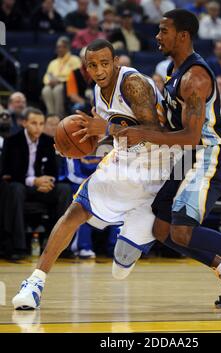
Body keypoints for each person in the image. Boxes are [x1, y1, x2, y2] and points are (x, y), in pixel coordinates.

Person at [116, 9, 221, 309]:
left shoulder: (195, 77)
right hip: (188, 156)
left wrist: (143, 135)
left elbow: (191, 136)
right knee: (162, 228)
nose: (157, 36)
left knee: (181, 230)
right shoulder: (174, 69)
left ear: (182, 35)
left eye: (163, 31)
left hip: (212, 154)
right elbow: (174, 127)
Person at [12, 39, 178, 309]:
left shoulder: (133, 84)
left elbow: (157, 133)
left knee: (174, 233)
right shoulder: (99, 93)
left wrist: (107, 129)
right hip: (128, 162)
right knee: (77, 212)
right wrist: (75, 147)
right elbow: (113, 137)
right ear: (85, 68)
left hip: (156, 166)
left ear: (115, 62)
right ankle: (35, 282)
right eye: (92, 65)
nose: (99, 70)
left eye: (104, 63)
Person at [1, 107, 72, 261]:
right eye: (34, 123)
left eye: (41, 123)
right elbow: (7, 172)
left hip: (43, 187)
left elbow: (53, 171)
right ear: (24, 123)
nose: (38, 127)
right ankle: (17, 246)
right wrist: (33, 181)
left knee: (65, 190)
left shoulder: (48, 141)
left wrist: (47, 181)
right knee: (15, 189)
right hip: (21, 187)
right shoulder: (12, 141)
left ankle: (60, 246)